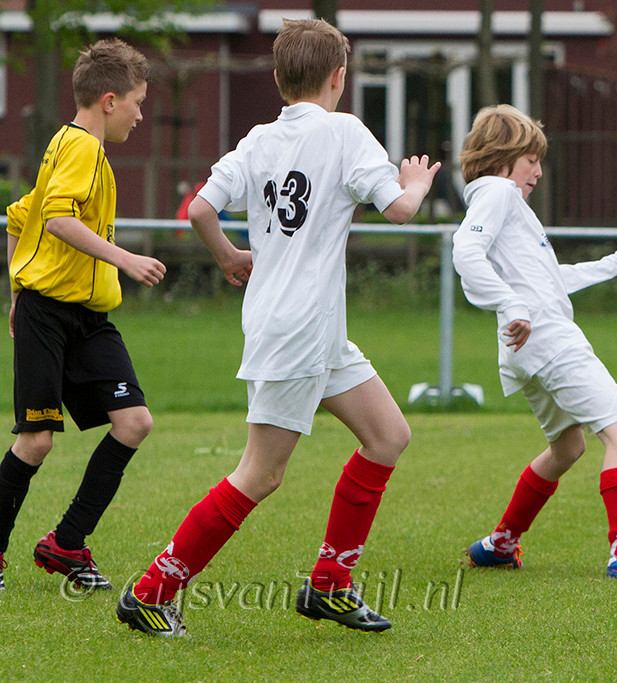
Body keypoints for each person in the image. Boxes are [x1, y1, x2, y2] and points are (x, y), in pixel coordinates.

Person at [115, 18, 439, 636]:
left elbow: (201, 208)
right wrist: (417, 183)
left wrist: (228, 256)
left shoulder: (260, 139)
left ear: (277, 78)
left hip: (310, 329)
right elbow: (400, 210)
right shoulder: (345, 131)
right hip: (300, 332)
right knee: (260, 473)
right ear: (339, 77)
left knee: (388, 436)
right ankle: (153, 591)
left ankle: (331, 585)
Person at [452, 104, 617, 579]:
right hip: (546, 337)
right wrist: (512, 304)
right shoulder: (498, 193)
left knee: (567, 448)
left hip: (524, 346)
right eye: (531, 160)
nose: (539, 172)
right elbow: (466, 252)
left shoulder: (506, 204)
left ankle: (500, 543)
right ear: (501, 159)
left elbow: (547, 281)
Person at [0, 39, 164, 593]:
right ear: (110, 100)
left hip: (89, 318)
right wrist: (125, 258)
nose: (140, 116)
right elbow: (54, 221)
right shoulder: (80, 149)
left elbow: (19, 217)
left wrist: (14, 288)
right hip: (50, 314)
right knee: (36, 441)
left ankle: (66, 542)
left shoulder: (71, 146)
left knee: (134, 422)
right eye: (137, 103)